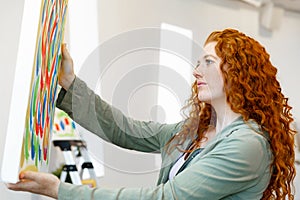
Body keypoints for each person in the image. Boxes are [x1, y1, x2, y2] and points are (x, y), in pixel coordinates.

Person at [7, 28, 296, 199]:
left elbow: (166, 198)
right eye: (198, 62)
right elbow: (125, 130)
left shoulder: (247, 145)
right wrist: (69, 83)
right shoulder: (199, 129)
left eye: (208, 62)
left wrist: (63, 191)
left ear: (238, 72)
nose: (196, 71)